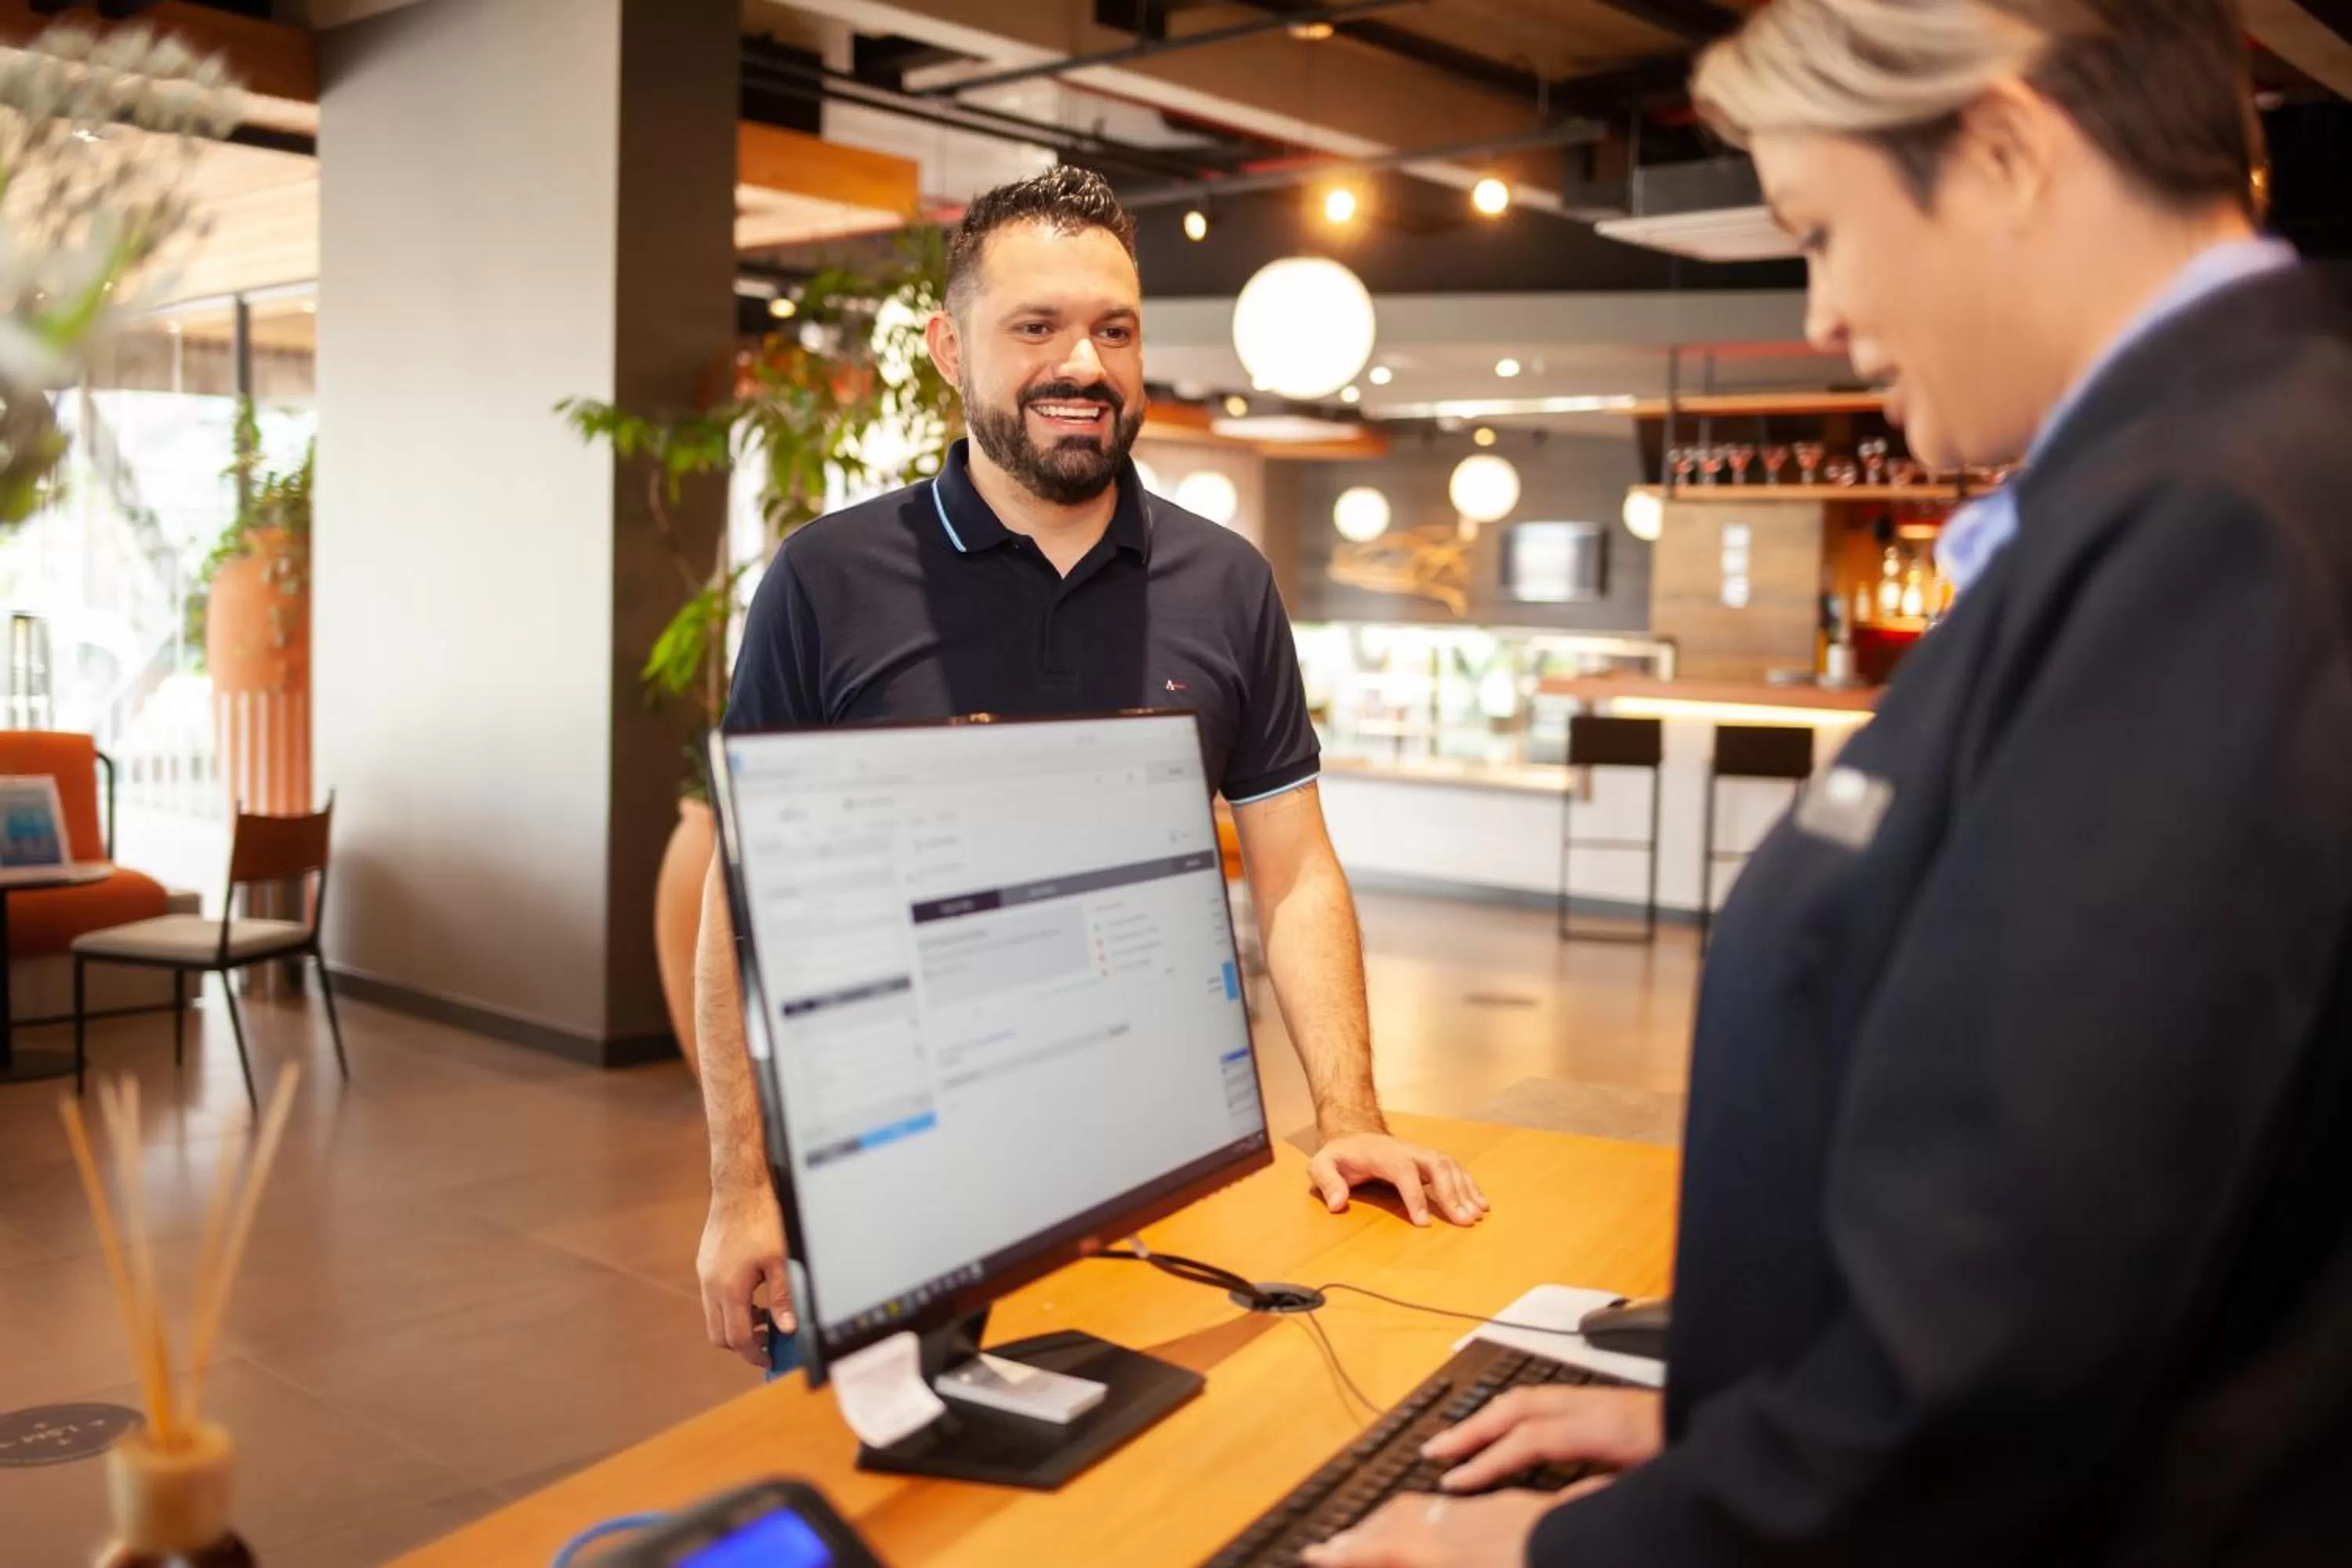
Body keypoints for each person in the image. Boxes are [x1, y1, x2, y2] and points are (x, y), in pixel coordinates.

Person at [1309, 2, 2352, 1563]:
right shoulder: (2221, 469)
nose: (1822, 315)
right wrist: (1727, 1416)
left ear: (2002, 151)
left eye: (1821, 232)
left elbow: (2008, 1341)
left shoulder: (2213, 531)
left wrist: (1539, 1554)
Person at [695, 168, 1487, 1371]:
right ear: (948, 350)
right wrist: (739, 1185)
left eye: (1114, 330)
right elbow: (740, 909)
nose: (1086, 363)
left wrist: (1350, 1119)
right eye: (1037, 327)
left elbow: (1296, 874)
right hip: (895, 1182)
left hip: (1166, 1165)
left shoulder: (1226, 585)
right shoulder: (826, 580)